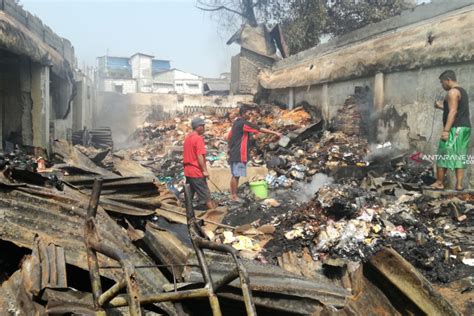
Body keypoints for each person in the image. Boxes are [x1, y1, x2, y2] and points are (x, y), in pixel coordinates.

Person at [228, 104, 282, 201]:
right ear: (243, 113)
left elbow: (229, 136)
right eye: (249, 113)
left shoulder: (236, 122)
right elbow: (259, 129)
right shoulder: (243, 123)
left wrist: (231, 148)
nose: (250, 114)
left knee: (235, 175)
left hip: (234, 152)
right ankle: (234, 196)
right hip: (240, 153)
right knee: (236, 176)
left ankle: (233, 195)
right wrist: (275, 133)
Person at [431, 70, 471, 191]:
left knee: (443, 153)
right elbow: (455, 110)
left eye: (442, 82)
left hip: (455, 128)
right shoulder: (462, 91)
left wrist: (446, 130)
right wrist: (441, 107)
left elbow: (453, 112)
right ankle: (459, 185)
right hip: (464, 128)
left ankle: (439, 182)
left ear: (448, 80)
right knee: (459, 155)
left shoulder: (452, 92)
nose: (442, 85)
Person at [183, 117, 216, 209]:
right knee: (206, 196)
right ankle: (214, 217)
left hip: (188, 171)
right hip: (196, 171)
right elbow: (199, 156)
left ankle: (184, 212)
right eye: (202, 126)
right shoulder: (198, 139)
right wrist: (205, 170)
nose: (204, 128)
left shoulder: (187, 138)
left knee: (189, 195)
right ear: (198, 127)